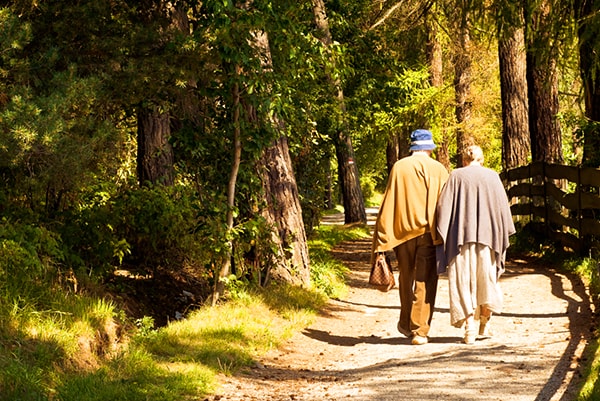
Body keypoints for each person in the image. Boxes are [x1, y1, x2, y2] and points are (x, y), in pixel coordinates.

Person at [371, 129, 449, 345]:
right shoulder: (438, 169)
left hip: (402, 232)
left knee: (406, 277)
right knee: (425, 279)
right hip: (427, 232)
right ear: (429, 148)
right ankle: (419, 329)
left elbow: (389, 199)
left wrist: (382, 236)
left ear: (413, 147)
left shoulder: (399, 167)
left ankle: (405, 323)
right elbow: (446, 203)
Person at [435, 145, 516, 344]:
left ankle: (469, 326)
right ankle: (484, 323)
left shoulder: (455, 175)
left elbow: (442, 207)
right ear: (482, 159)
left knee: (463, 281)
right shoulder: (493, 176)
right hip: (489, 239)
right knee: (487, 280)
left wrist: (442, 234)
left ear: (464, 160)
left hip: (460, 238)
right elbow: (502, 209)